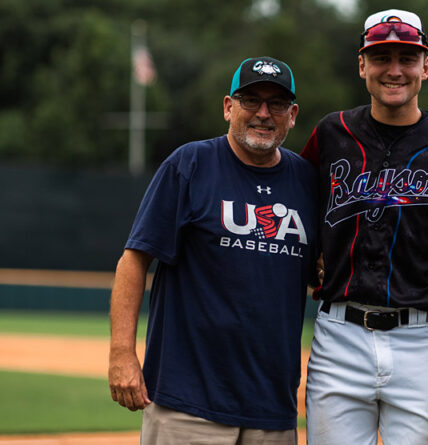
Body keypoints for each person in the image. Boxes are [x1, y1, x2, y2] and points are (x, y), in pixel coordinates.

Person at [299, 9, 428, 445]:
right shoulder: (332, 133)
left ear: (426, 65)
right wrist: (313, 264)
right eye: (381, 57)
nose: (394, 70)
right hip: (339, 334)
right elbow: (299, 206)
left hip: (423, 338)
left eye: (407, 57)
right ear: (362, 65)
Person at [108, 56, 317, 445]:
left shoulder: (306, 179)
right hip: (186, 404)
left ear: (293, 115)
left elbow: (317, 270)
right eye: (250, 100)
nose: (263, 113)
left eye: (277, 104)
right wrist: (122, 353)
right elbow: (134, 259)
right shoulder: (190, 164)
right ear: (228, 107)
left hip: (272, 408)